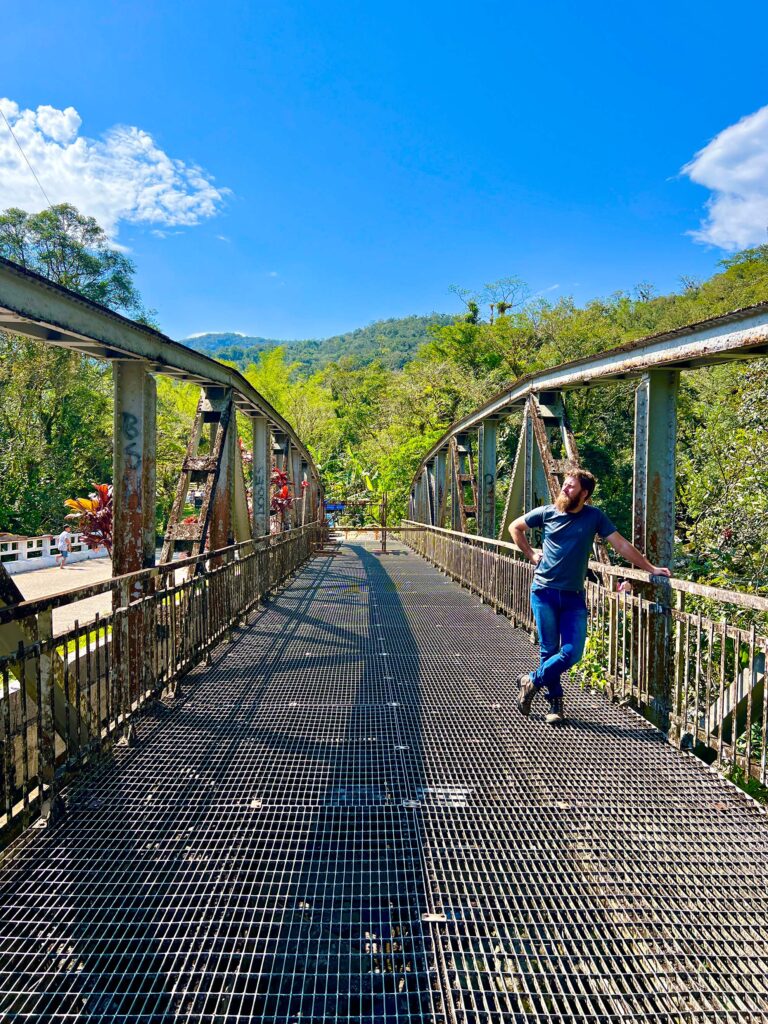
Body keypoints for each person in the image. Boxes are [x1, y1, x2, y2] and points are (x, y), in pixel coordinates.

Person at [509, 469, 671, 725]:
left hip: (573, 597)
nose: (564, 489)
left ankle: (531, 680)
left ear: (584, 494)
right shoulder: (548, 512)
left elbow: (621, 544)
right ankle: (556, 704)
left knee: (573, 653)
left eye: (571, 487)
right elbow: (515, 527)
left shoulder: (594, 517)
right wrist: (530, 554)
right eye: (564, 484)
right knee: (548, 650)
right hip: (544, 592)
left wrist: (650, 569)